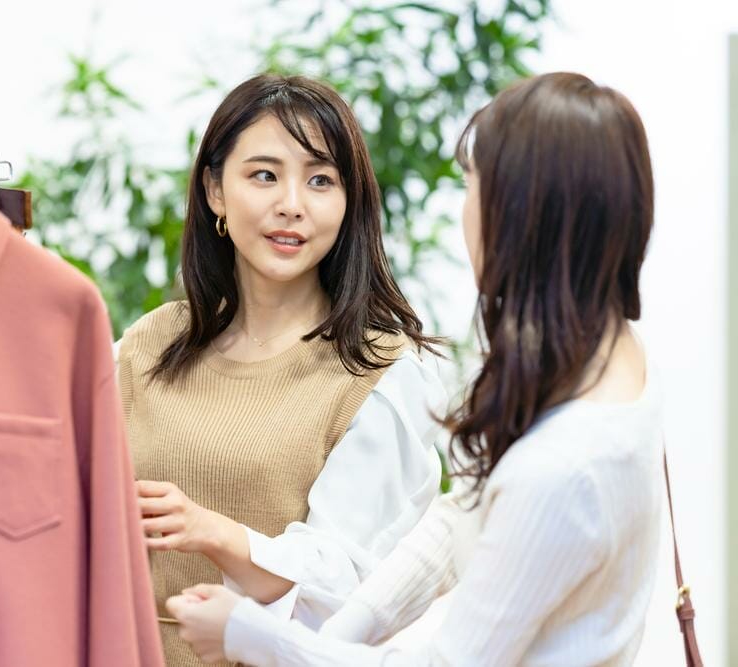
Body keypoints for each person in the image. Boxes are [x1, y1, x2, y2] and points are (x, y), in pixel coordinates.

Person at [167, 71, 663, 666]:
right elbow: (460, 523)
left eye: (472, 186)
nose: (464, 212)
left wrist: (254, 635)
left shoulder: (560, 468)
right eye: (264, 174)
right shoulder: (606, 357)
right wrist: (334, 637)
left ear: (524, 216)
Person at [116, 74, 448, 666]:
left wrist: (214, 533)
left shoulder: (383, 373)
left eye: (320, 180)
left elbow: (348, 587)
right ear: (215, 190)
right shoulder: (148, 345)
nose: (291, 204)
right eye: (264, 175)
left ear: (349, 204)